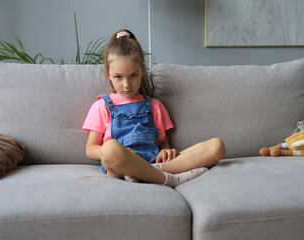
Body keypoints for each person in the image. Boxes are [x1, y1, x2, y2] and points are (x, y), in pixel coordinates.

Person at [83, 29, 226, 187]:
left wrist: (166, 150)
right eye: (118, 77)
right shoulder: (102, 106)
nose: (126, 84)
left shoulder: (154, 106)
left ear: (142, 71)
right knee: (110, 148)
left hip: (154, 161)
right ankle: (167, 178)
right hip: (120, 165)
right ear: (108, 74)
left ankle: (148, 172)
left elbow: (163, 144)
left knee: (217, 146)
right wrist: (117, 153)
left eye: (133, 75)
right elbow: (90, 149)